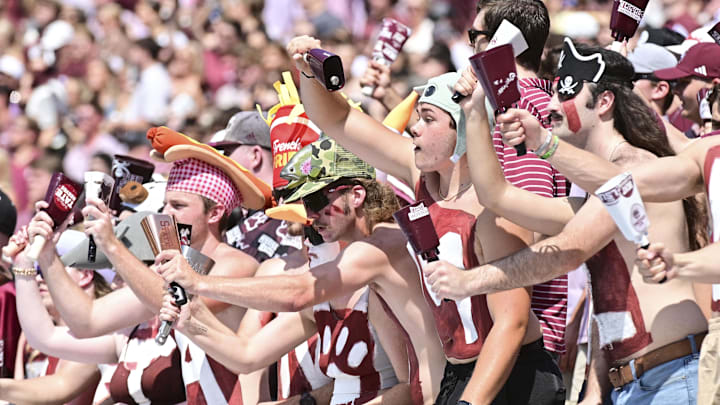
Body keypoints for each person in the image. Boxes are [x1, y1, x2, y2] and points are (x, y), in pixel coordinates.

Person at [427, 39, 708, 404]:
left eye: (567, 93)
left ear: (604, 103)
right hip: (641, 381)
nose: (551, 105)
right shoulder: (602, 192)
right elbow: (497, 196)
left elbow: (566, 253)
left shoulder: (632, 168)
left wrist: (470, 280)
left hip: (671, 379)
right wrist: (475, 108)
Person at [157, 137, 447, 404]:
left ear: (357, 195)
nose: (310, 216)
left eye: (318, 201)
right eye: (306, 203)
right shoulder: (338, 284)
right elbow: (246, 355)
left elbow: (299, 291)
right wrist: (190, 318)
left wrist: (198, 282)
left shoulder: (381, 244)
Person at [27, 129, 271, 404]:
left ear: (214, 213)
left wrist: (112, 246)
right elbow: (88, 320)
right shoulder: (172, 269)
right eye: (165, 204)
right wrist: (46, 254)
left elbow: (174, 307)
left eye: (178, 205)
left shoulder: (236, 264)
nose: (166, 213)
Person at [7, 229, 115, 405]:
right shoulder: (42, 336)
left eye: (45, 269)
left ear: (85, 275)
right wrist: (21, 262)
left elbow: (57, 387)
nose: (38, 279)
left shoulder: (102, 334)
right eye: (35, 270)